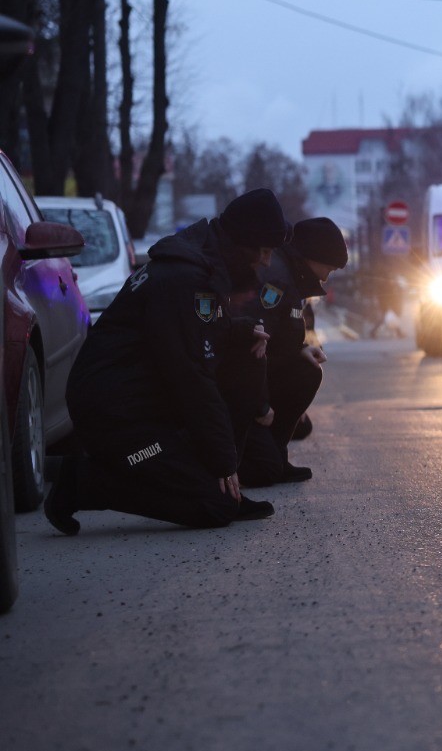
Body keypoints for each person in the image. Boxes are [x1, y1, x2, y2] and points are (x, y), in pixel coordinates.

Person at [44, 189, 290, 533]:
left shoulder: (201, 265)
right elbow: (192, 377)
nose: (266, 262)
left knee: (248, 351)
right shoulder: (185, 278)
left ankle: (224, 484)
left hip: (148, 402)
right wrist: (223, 461)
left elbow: (189, 332)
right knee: (214, 507)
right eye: (264, 251)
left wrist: (241, 330)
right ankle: (81, 483)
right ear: (242, 242)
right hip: (116, 415)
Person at [236, 217, 347, 488]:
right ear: (313, 256)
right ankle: (237, 462)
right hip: (244, 391)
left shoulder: (291, 276)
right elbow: (250, 349)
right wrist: (261, 406)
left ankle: (277, 453)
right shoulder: (276, 281)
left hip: (260, 380)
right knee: (264, 471)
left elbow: (278, 337)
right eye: (329, 268)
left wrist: (301, 349)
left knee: (308, 371)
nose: (326, 277)